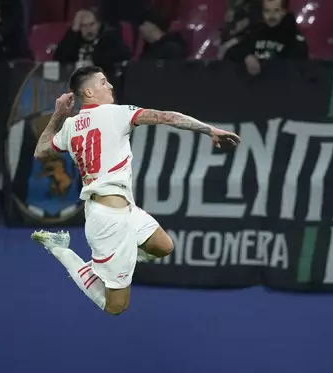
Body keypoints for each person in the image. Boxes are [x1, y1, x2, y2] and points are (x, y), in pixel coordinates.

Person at [30, 66, 241, 315]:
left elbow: (40, 151)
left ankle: (115, 259)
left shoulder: (71, 126)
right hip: (109, 221)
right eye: (103, 82)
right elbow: (165, 117)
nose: (109, 86)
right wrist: (209, 129)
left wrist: (58, 115)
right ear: (89, 91)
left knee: (163, 246)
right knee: (115, 306)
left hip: (122, 209)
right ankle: (59, 248)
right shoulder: (116, 114)